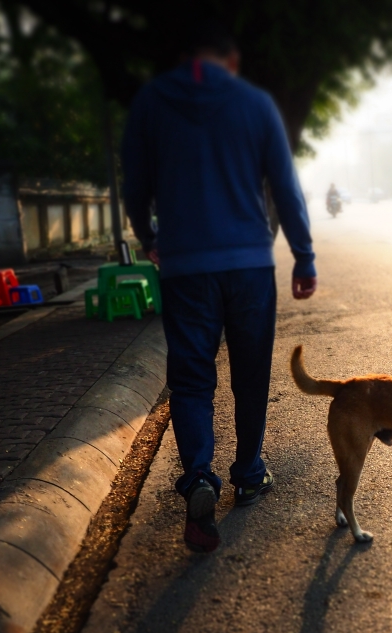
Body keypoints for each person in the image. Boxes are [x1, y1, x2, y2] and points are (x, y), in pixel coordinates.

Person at [123, 25, 317, 553]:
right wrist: (303, 255)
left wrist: (149, 237)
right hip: (250, 266)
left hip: (185, 266)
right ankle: (249, 473)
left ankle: (200, 478)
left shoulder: (151, 101)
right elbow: (284, 185)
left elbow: (135, 184)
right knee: (250, 374)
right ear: (231, 58)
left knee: (190, 380)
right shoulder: (253, 102)